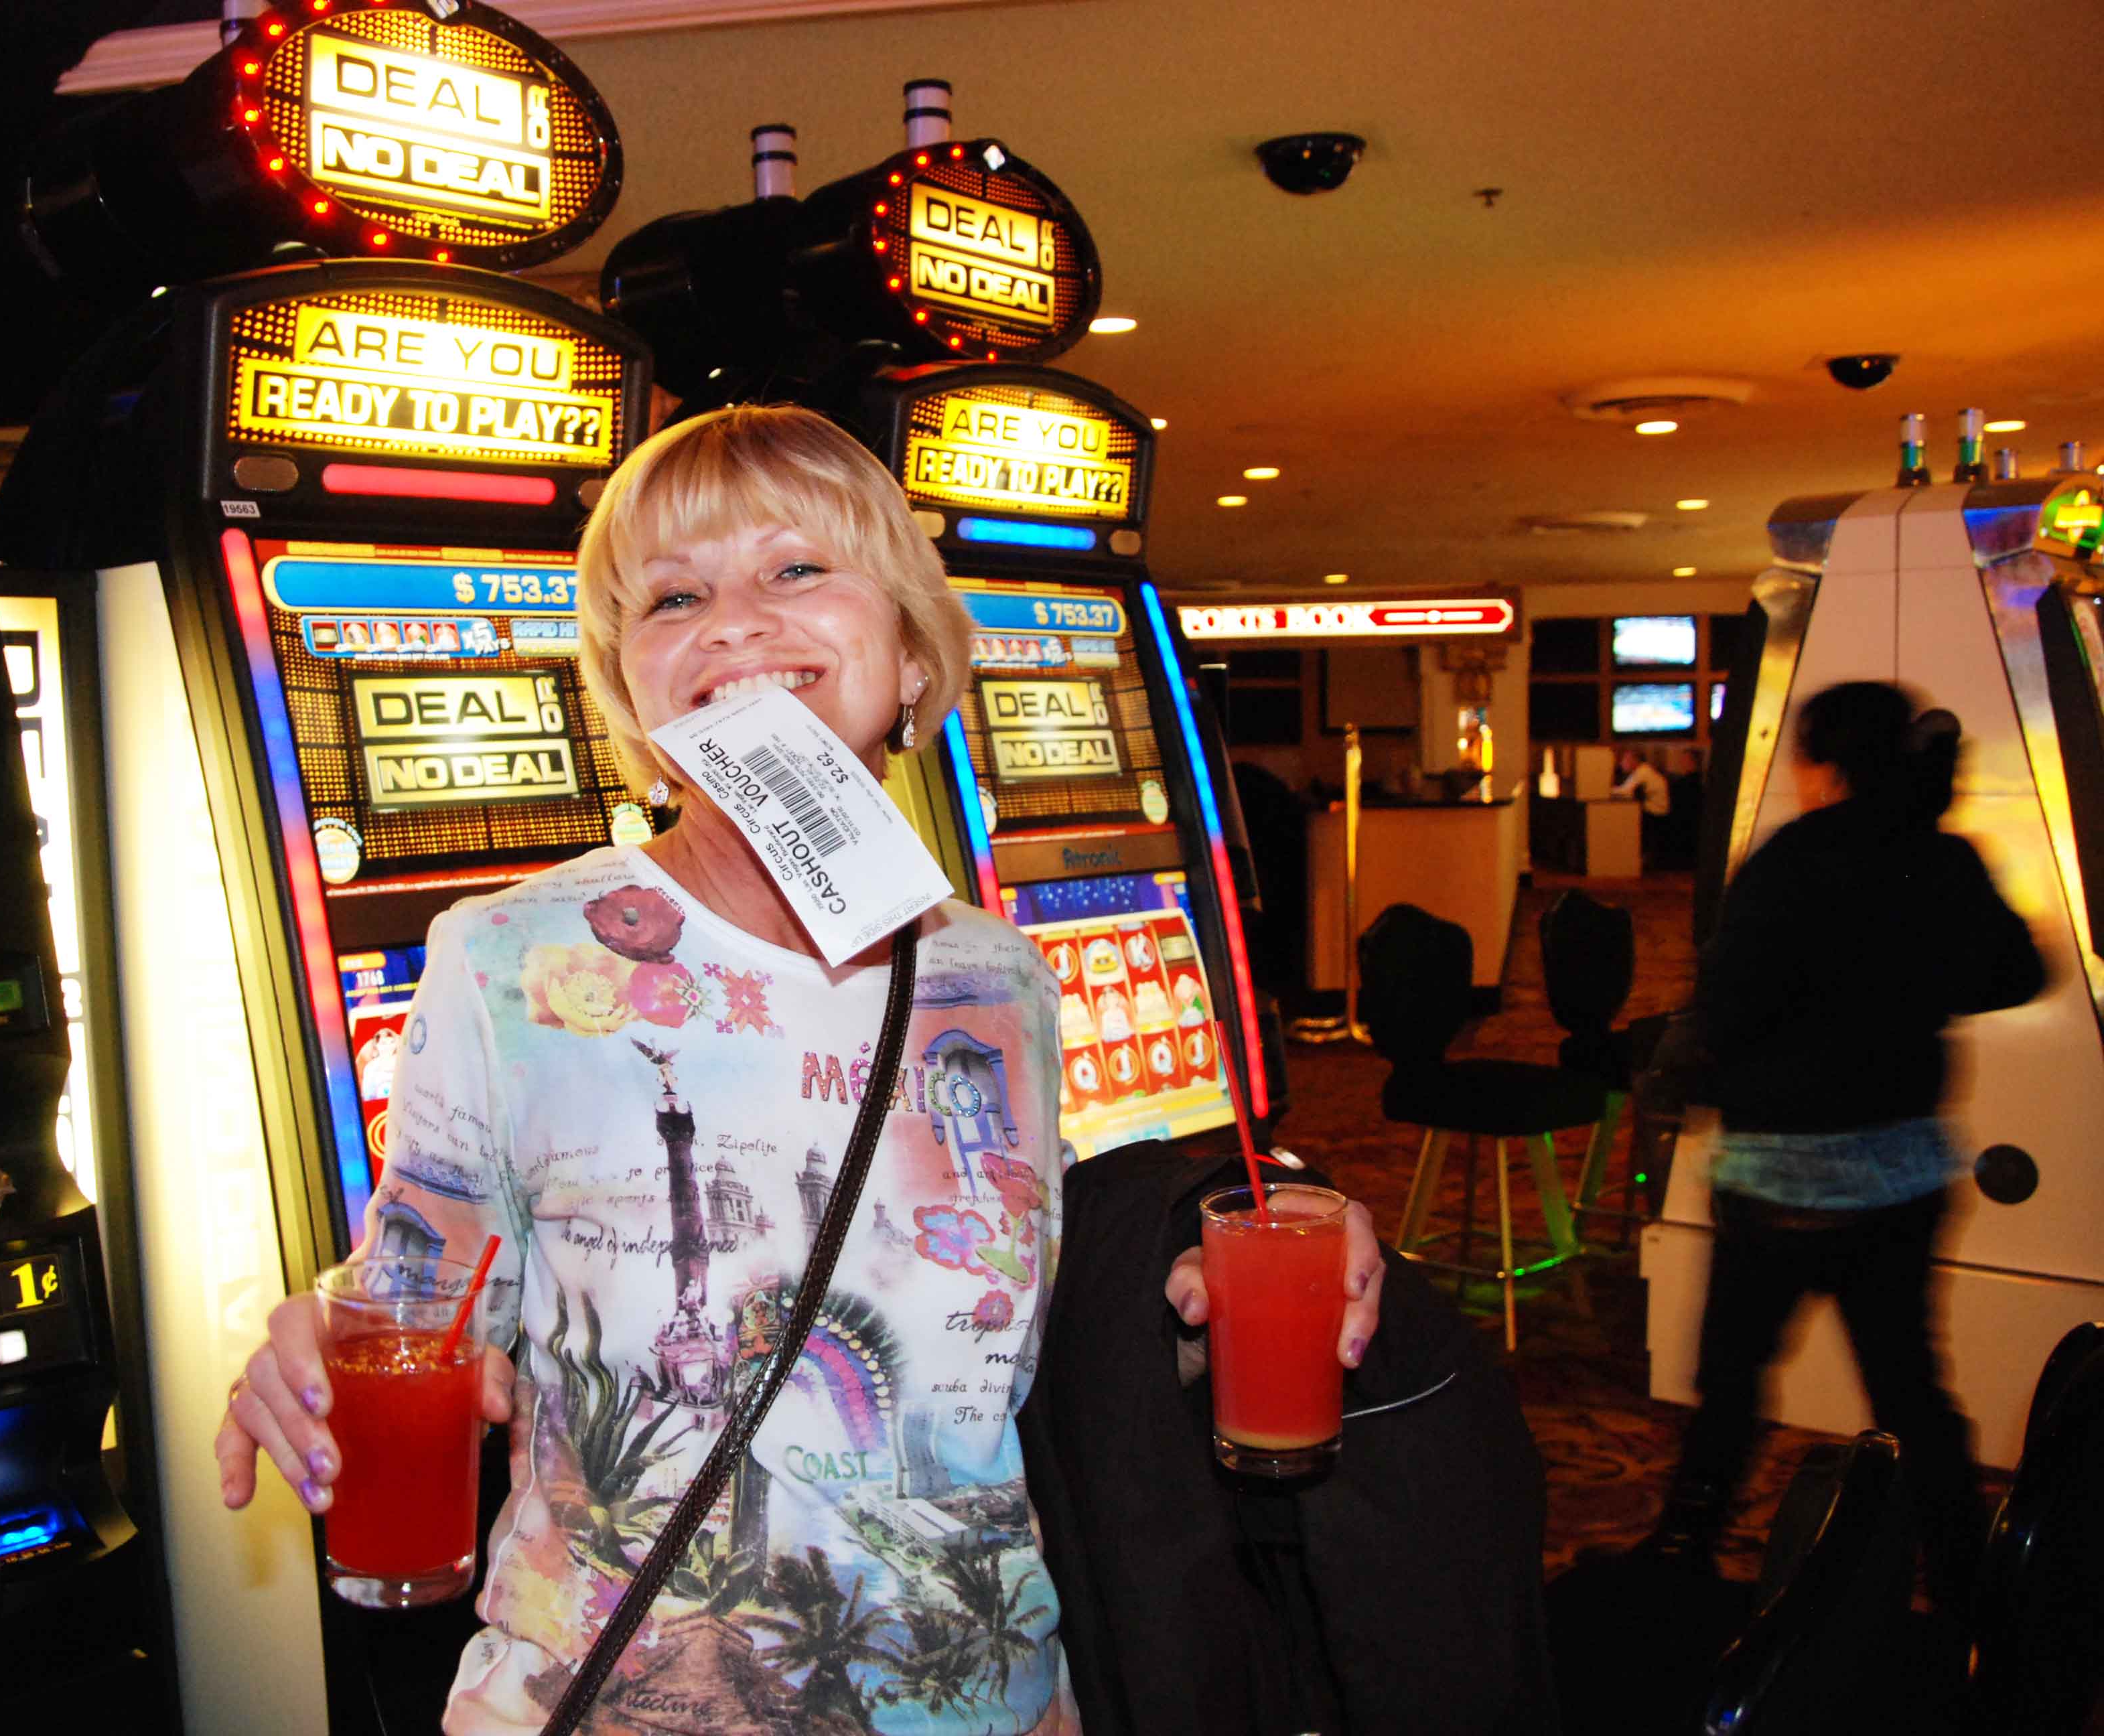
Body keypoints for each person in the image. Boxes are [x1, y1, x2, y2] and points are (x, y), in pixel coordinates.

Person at [212, 405, 1387, 1735]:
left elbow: (1020, 1339)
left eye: (796, 569)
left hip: (988, 1702)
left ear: (910, 651)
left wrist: (1223, 1277)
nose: (732, 623)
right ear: (631, 687)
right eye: (673, 596)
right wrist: (313, 1358)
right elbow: (417, 1313)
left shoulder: (995, 975)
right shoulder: (509, 957)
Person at [1647, 681, 2042, 1621]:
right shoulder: (1940, 856)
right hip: (1899, 1174)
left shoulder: (1790, 860)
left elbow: (1728, 1011)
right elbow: (2016, 972)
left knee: (1732, 1384)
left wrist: (1680, 1079)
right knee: (1911, 1387)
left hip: (1775, 1177)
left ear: (1822, 764)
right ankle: (1965, 1582)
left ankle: (1681, 1558)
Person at [1611, 745, 1669, 817]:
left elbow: (1625, 791)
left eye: (1625, 760)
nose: (1621, 764)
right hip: (1654, 810)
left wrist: (1605, 791)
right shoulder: (1642, 769)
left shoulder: (1643, 771)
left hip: (1656, 813)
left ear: (1635, 760)